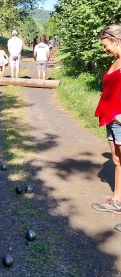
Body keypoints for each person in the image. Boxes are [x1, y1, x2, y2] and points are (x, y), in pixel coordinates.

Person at [93, 24, 121, 225]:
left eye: (106, 44)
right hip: (111, 118)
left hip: (119, 118)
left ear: (116, 39)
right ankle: (117, 201)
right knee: (117, 160)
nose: (105, 49)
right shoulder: (117, 61)